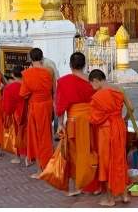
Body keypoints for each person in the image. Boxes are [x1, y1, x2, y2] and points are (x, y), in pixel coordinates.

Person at [55, 51, 100, 196]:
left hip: (74, 122)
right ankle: (95, 186)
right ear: (85, 64)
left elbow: (61, 105)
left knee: (75, 155)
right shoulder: (92, 81)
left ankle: (79, 186)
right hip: (91, 120)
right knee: (92, 151)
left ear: (70, 65)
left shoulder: (64, 81)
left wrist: (60, 124)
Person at [88, 69, 130, 207]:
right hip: (118, 126)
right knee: (119, 159)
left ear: (95, 80)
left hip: (106, 130)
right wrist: (124, 119)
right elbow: (131, 108)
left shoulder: (97, 96)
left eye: (91, 84)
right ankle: (124, 195)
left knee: (106, 163)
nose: (92, 87)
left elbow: (94, 119)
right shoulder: (119, 89)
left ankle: (110, 198)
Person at [20, 47, 55, 175]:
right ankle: (49, 164)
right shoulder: (49, 71)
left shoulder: (27, 73)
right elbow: (53, 88)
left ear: (30, 58)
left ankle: (41, 169)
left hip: (36, 106)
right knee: (47, 134)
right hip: (47, 104)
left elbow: (23, 93)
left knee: (37, 136)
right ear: (42, 57)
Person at [2, 66, 28, 164]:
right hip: (28, 111)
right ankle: (28, 156)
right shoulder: (27, 85)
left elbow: (7, 106)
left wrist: (8, 114)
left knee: (16, 134)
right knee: (27, 134)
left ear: (12, 75)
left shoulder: (9, 88)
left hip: (16, 114)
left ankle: (17, 157)